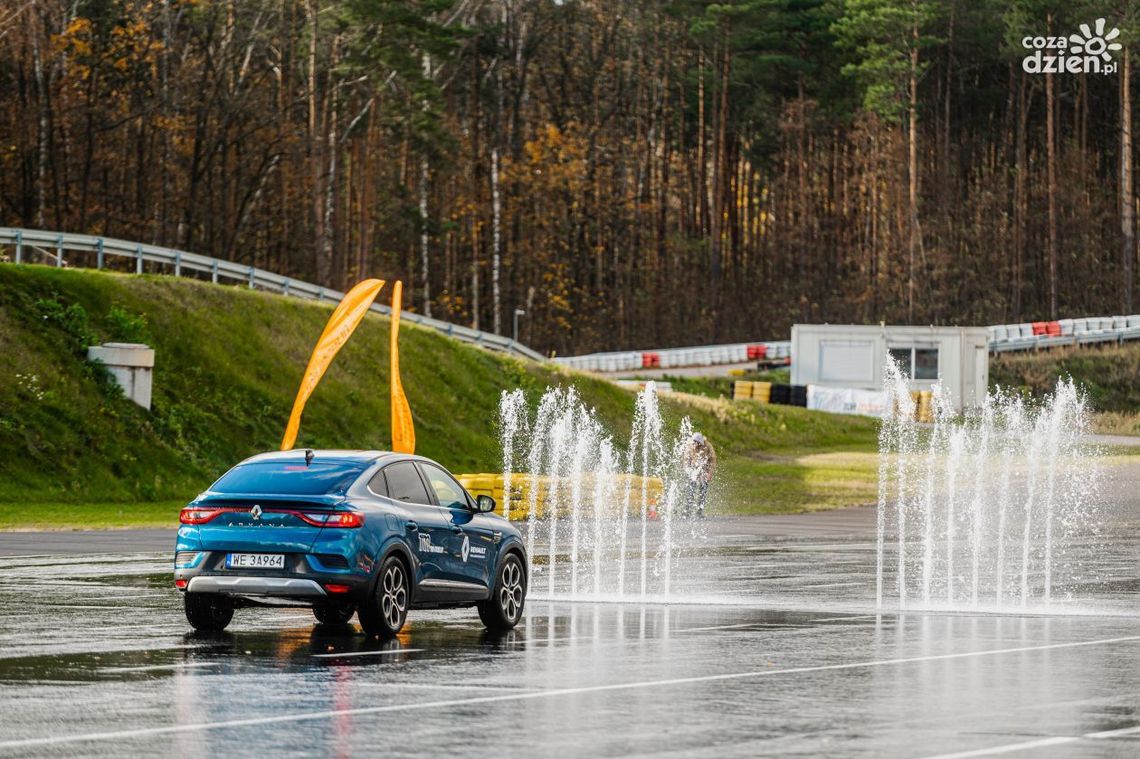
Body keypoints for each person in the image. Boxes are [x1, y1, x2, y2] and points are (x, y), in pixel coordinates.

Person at [682, 432, 716, 518]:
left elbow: (712, 460)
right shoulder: (690, 445)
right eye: (694, 442)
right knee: (691, 490)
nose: (695, 444)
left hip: (704, 470)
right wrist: (688, 471)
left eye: (697, 443)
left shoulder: (708, 446)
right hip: (693, 470)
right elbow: (686, 459)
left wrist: (709, 473)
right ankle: (687, 511)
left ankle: (699, 511)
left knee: (703, 491)